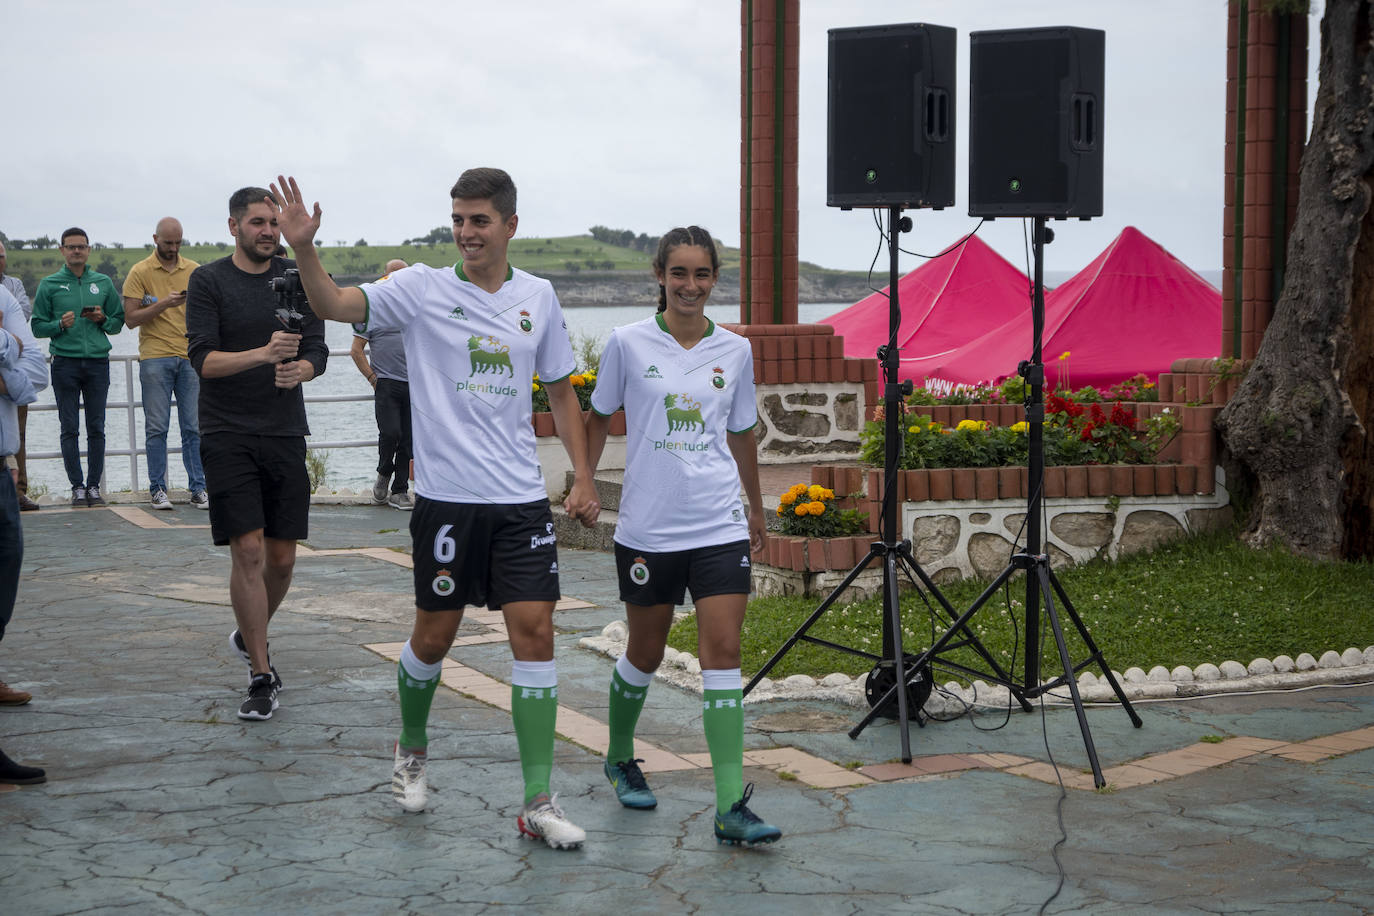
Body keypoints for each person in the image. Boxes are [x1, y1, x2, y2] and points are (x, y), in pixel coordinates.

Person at [270, 170, 599, 850]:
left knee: (535, 635)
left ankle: (538, 800)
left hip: (518, 503)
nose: (466, 232)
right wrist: (304, 248)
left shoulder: (538, 296)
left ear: (510, 224)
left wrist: (582, 476)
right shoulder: (418, 288)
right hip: (448, 504)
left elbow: (562, 393)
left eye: (479, 220)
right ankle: (412, 749)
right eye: (458, 219)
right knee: (434, 638)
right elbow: (331, 303)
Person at [584, 226, 781, 847]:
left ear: (714, 279)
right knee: (645, 652)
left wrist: (755, 507)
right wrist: (584, 483)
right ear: (660, 276)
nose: (690, 286)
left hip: (718, 523)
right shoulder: (626, 342)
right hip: (648, 527)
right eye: (679, 274)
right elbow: (596, 418)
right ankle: (619, 755)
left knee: (722, 652)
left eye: (702, 275)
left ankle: (730, 807)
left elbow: (742, 433)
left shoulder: (735, 351)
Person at [186, 187, 328, 722]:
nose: (268, 230)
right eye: (257, 222)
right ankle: (262, 675)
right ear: (234, 226)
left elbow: (318, 348)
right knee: (246, 549)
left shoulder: (296, 274)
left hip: (285, 431)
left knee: (282, 558)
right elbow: (203, 361)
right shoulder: (209, 280)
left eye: (273, 223)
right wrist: (264, 354)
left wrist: (302, 370)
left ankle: (250, 632)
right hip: (226, 432)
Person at [30, 228, 125, 508]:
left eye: (81, 247)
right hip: (65, 363)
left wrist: (102, 318)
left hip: (97, 362)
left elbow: (118, 323)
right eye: (71, 247)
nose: (76, 251)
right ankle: (77, 487)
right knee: (69, 428)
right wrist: (59, 325)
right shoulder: (49, 284)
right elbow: (36, 326)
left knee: (97, 427)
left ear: (88, 250)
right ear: (62, 250)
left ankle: (94, 487)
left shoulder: (103, 282)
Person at [123, 217, 208, 511]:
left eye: (178, 243)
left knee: (194, 427)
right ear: (155, 238)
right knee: (156, 427)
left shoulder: (194, 270)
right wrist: (162, 304)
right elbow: (131, 319)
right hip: (155, 357)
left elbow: (207, 313)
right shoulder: (140, 271)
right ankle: (157, 489)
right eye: (167, 242)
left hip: (189, 356)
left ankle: (199, 487)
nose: (173, 249)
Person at [0, 283, 49, 784]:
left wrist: (6, 364)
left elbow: (35, 376)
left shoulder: (6, 299)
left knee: (6, 578)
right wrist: (7, 349)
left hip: (1, 469)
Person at [350, 258, 412, 510]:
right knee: (391, 433)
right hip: (385, 382)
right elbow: (356, 350)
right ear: (383, 278)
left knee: (409, 441)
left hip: (415, 385)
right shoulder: (373, 310)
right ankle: (383, 473)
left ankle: (400, 491)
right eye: (392, 276)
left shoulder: (417, 310)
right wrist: (372, 378)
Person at [0, 242, 39, 512]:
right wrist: (9, 337)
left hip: (12, 376)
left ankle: (19, 490)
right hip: (10, 372)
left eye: (1, 256)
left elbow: (24, 314)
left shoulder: (11, 287)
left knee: (18, 436)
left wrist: (9, 337)